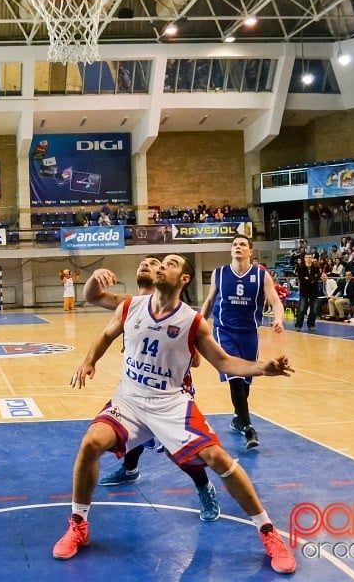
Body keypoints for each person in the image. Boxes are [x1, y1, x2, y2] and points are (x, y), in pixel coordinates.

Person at [52, 254, 297, 575]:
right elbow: (106, 333)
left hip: (171, 403)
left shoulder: (193, 321)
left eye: (170, 263)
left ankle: (268, 533)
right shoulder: (131, 306)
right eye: (160, 262)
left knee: (217, 459)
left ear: (183, 279)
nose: (161, 265)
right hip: (130, 399)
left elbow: (224, 363)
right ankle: (79, 525)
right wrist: (89, 361)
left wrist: (263, 368)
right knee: (90, 444)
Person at [84, 260, 220, 522]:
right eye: (142, 263)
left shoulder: (180, 313)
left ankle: (204, 486)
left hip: (169, 392)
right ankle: (130, 468)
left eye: (153, 263)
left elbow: (198, 360)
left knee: (176, 451)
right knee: (127, 428)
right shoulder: (130, 302)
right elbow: (92, 296)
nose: (146, 265)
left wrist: (164, 348)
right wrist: (95, 276)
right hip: (137, 386)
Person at [200, 235, 285, 451]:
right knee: (235, 377)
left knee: (245, 381)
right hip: (224, 331)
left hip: (249, 333)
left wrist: (278, 319)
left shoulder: (260, 275)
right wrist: (197, 323)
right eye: (235, 245)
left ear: (250, 252)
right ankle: (248, 427)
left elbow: (275, 300)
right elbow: (210, 301)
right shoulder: (219, 273)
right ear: (231, 251)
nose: (238, 247)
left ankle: (239, 417)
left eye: (242, 245)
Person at [293, 252, 321, 331]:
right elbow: (301, 279)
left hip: (314, 291)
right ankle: (298, 325)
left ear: (312, 259)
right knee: (301, 309)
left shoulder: (316, 267)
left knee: (314, 310)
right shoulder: (301, 268)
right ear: (304, 259)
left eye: (310, 257)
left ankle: (311, 325)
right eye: (307, 257)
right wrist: (311, 279)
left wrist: (308, 279)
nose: (308, 259)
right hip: (304, 291)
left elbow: (317, 277)